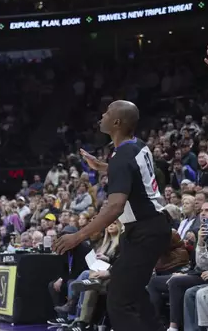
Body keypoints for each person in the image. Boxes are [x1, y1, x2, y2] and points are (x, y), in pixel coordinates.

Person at [54, 100, 171, 331]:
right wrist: (103, 167)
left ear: (116, 122)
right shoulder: (137, 145)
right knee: (134, 295)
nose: (102, 116)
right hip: (151, 228)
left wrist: (77, 236)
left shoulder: (121, 158)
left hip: (146, 231)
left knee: (119, 300)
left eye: (106, 113)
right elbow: (131, 168)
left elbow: (115, 207)